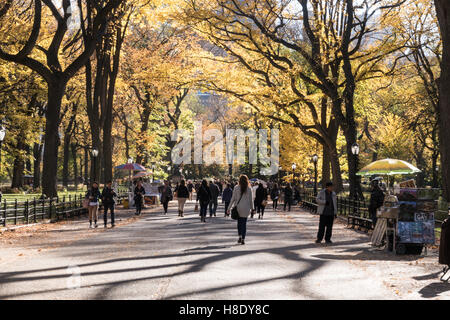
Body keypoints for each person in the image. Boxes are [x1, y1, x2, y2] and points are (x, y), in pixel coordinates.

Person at [227, 175, 255, 245]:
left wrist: (228, 208)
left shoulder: (236, 188)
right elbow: (251, 200)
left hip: (238, 208)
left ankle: (240, 236)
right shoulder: (249, 189)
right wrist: (252, 209)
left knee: (239, 223)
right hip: (246, 208)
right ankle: (243, 238)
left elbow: (232, 199)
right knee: (244, 224)